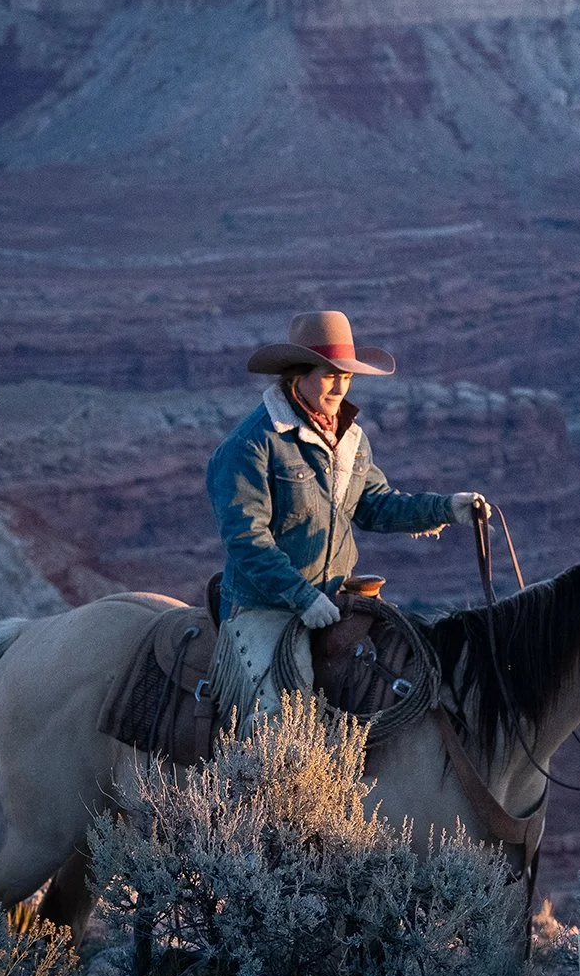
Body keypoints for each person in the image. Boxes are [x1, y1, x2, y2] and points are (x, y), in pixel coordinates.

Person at [205, 309, 488, 720]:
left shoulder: (349, 438)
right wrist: (302, 597)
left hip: (338, 599)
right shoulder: (252, 444)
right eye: (328, 374)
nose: (339, 387)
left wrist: (444, 508)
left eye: (347, 376)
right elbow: (247, 540)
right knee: (280, 719)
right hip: (265, 605)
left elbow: (375, 505)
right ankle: (255, 781)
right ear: (295, 375)